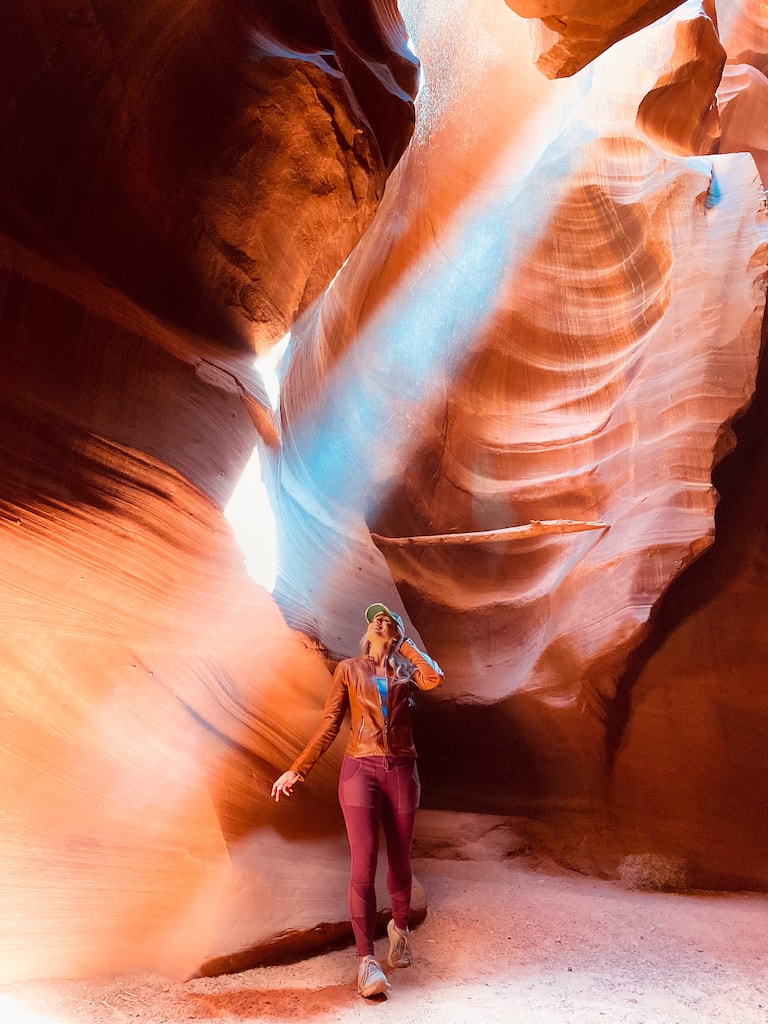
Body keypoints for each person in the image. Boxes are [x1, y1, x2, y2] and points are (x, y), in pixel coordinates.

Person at [271, 602, 444, 998]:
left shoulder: (407, 672)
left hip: (402, 769)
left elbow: (435, 678)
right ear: (367, 631)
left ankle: (398, 931)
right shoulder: (349, 669)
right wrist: (298, 769)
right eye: (376, 619)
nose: (382, 620)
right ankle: (366, 962)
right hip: (359, 770)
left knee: (400, 861)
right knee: (363, 866)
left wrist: (408, 647)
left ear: (397, 633)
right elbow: (330, 722)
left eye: (390, 619)